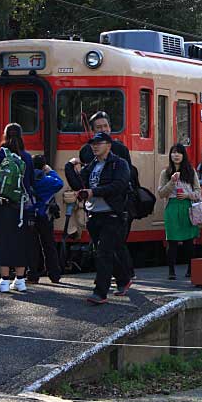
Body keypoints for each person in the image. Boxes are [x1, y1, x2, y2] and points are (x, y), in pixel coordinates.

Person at [74, 132, 132, 304]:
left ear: (108, 145)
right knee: (103, 252)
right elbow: (79, 183)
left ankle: (100, 293)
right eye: (93, 143)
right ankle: (123, 279)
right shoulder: (92, 165)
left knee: (104, 253)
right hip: (94, 214)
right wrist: (70, 168)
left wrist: (94, 192)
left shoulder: (119, 164)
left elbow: (119, 185)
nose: (94, 146)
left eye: (99, 143)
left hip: (112, 214)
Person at [80, 111, 136, 277]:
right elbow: (84, 178)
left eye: (105, 126)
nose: (103, 129)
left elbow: (128, 177)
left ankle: (119, 278)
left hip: (118, 205)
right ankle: (123, 277)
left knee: (115, 244)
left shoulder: (120, 149)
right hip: (96, 207)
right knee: (110, 245)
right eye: (98, 127)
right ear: (92, 131)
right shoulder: (86, 150)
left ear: (110, 128)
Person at [0, 123, 34, 294]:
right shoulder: (27, 157)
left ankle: (4, 281)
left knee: (2, 241)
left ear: (5, 136)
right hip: (21, 207)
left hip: (2, 205)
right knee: (20, 243)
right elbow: (30, 183)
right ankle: (20, 281)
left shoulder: (2, 154)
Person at [158, 144, 201, 279]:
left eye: (179, 153)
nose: (176, 155)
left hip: (187, 207)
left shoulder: (190, 171)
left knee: (189, 241)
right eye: (173, 153)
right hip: (172, 207)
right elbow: (161, 193)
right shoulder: (165, 173)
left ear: (183, 155)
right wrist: (172, 181)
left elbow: (198, 191)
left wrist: (188, 195)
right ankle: (171, 271)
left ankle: (190, 269)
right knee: (172, 241)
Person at [27, 155, 64, 284]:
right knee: (49, 245)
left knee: (32, 246)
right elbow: (60, 183)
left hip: (30, 216)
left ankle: (33, 275)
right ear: (43, 166)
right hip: (45, 216)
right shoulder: (48, 180)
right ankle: (54, 275)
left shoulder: (27, 179)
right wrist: (51, 171)